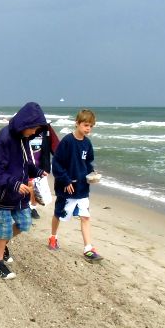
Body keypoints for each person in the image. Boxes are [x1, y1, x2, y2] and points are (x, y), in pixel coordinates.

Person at [0, 102, 48, 279]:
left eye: (37, 129)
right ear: (25, 124)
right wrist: (13, 183)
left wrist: (37, 171)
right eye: (33, 128)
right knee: (4, 229)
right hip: (2, 193)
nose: (34, 132)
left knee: (24, 224)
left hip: (19, 194)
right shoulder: (3, 138)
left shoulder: (24, 138)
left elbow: (26, 163)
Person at [49, 109, 103, 261]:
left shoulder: (87, 143)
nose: (88, 129)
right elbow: (57, 163)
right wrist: (65, 180)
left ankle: (88, 248)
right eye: (86, 125)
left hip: (82, 187)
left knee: (85, 216)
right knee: (58, 214)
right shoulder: (67, 141)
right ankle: (53, 237)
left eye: (91, 126)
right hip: (66, 187)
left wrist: (92, 172)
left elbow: (87, 162)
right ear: (77, 124)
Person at [28, 123, 59, 219]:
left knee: (38, 190)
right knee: (30, 185)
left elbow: (56, 146)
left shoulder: (47, 129)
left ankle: (32, 207)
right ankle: (30, 207)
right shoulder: (25, 127)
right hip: (27, 163)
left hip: (41, 165)